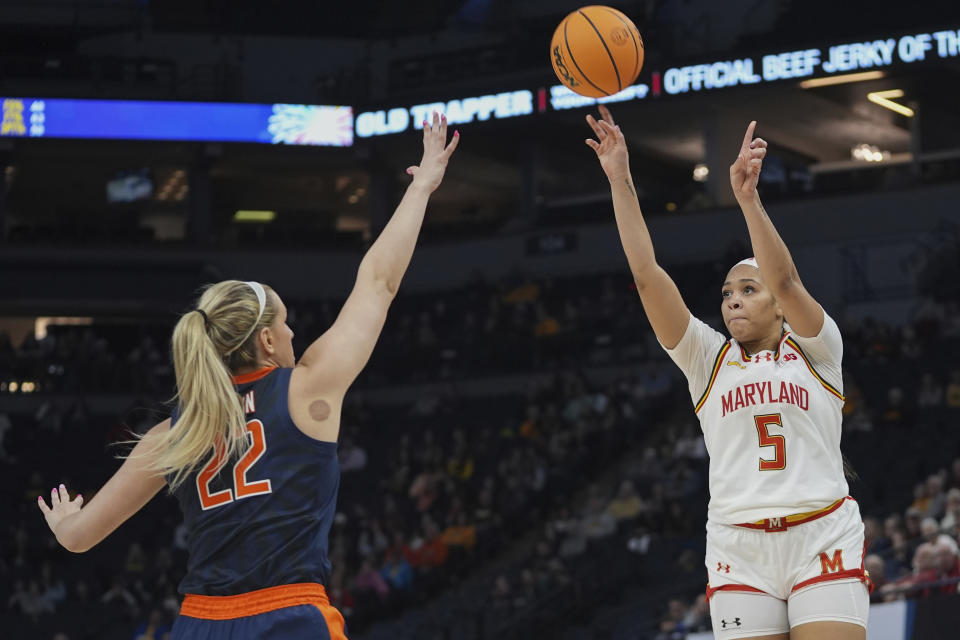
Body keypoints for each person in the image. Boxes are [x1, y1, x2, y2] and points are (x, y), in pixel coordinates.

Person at [36, 112, 460, 639]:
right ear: (263, 340)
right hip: (288, 616)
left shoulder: (172, 433)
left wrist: (62, 522)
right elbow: (378, 282)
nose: (292, 334)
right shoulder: (308, 389)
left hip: (200, 625)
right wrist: (421, 187)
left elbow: (79, 539)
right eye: (285, 323)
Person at [585, 105, 868, 639]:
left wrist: (748, 200)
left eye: (747, 290)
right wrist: (620, 179)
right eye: (725, 294)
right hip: (740, 546)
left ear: (779, 307)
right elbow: (647, 277)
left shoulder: (818, 346)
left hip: (821, 536)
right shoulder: (707, 359)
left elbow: (786, 281)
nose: (732, 302)